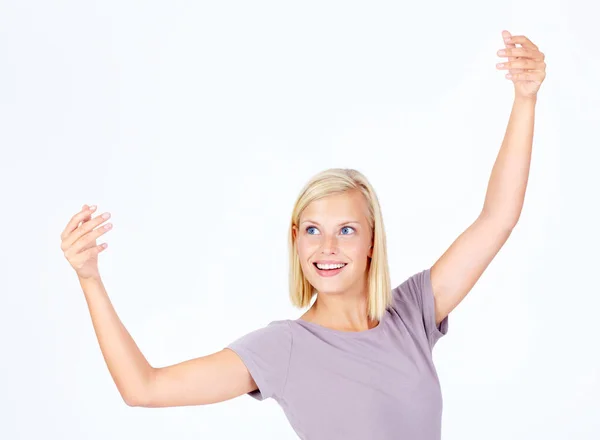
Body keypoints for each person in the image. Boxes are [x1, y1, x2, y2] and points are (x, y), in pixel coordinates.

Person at [60, 30, 545, 440]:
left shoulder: (411, 314)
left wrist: (525, 98)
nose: (327, 247)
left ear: (372, 241)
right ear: (295, 240)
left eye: (347, 230)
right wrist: (89, 278)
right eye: (312, 230)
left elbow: (498, 217)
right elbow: (144, 389)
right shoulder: (285, 348)